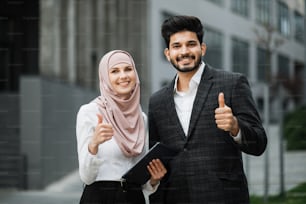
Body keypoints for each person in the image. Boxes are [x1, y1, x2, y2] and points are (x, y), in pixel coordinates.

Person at [148, 15, 267, 204]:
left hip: (222, 197)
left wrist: (235, 127)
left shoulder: (232, 83)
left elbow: (259, 143)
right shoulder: (157, 101)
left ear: (202, 48)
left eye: (191, 44)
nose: (184, 51)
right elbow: (155, 159)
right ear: (167, 53)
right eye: (177, 46)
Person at [76, 50, 167, 204]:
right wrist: (94, 144)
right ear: (105, 77)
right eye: (114, 71)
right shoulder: (89, 112)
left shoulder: (141, 118)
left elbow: (143, 182)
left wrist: (153, 180)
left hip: (133, 197)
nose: (123, 76)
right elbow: (86, 177)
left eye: (128, 69)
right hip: (100, 197)